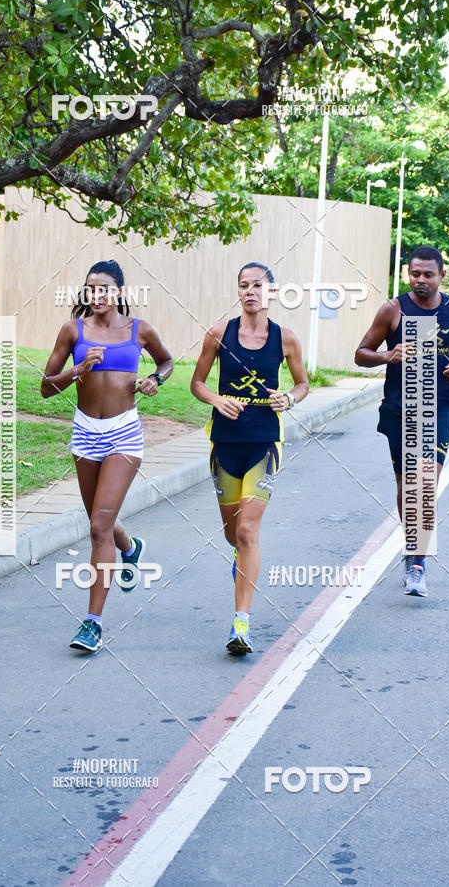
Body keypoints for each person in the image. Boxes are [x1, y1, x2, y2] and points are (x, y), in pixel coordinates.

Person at [41, 260, 173, 652]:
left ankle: (92, 623)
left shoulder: (139, 329)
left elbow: (166, 362)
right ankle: (130, 548)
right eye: (89, 289)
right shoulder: (73, 330)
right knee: (100, 519)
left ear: (118, 292)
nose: (95, 295)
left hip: (123, 435)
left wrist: (155, 380)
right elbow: (46, 388)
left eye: (103, 289)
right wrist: (78, 368)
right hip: (85, 434)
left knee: (99, 527)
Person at [190, 263, 309, 654]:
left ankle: (241, 624)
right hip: (225, 444)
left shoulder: (285, 338)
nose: (250, 291)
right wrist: (215, 399)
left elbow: (302, 383)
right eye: (243, 286)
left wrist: (289, 398)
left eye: (257, 285)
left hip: (263, 444)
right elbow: (196, 383)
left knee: (247, 533)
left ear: (271, 292)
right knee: (232, 535)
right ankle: (242, 563)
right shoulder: (219, 334)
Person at [355, 245, 449, 598]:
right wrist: (386, 355)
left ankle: (418, 561)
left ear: (442, 275)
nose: (420, 280)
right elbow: (361, 354)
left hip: (440, 406)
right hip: (401, 408)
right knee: (408, 487)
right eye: (415, 274)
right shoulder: (393, 310)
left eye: (428, 274)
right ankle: (413, 548)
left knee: (424, 484)